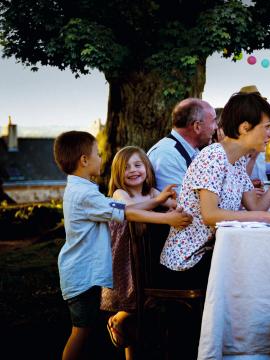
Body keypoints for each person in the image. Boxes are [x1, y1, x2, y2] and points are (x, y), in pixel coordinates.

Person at [53, 131, 192, 360]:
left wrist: (162, 202)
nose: (101, 158)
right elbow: (127, 213)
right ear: (84, 160)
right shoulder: (84, 195)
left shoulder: (83, 190)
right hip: (81, 275)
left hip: (84, 271)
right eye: (98, 154)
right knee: (81, 332)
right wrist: (166, 218)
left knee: (100, 326)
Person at [160, 92, 270, 287]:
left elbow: (256, 207)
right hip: (188, 262)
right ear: (245, 127)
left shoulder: (237, 161)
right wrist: (269, 217)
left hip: (216, 253)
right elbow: (210, 215)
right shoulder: (213, 156)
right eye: (267, 127)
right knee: (265, 271)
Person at [100, 146, 182, 358]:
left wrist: (178, 206)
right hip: (128, 255)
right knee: (131, 298)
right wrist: (158, 202)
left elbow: (176, 205)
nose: (133, 170)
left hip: (150, 254)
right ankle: (118, 320)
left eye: (138, 165)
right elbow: (132, 212)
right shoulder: (120, 193)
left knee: (145, 303)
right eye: (127, 167)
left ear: (147, 167)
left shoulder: (153, 191)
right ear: (118, 173)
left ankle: (136, 339)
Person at [147, 98, 218, 195]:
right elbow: (184, 203)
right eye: (213, 121)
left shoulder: (191, 150)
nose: (216, 127)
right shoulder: (168, 155)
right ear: (197, 126)